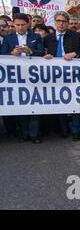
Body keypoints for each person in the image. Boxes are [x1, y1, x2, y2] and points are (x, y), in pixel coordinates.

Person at [43, 11, 80, 141]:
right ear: (55, 22)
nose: (61, 24)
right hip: (55, 75)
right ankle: (63, 129)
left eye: (64, 21)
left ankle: (76, 130)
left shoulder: (77, 36)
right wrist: (45, 57)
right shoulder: (47, 38)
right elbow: (40, 54)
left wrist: (74, 54)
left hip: (73, 75)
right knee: (60, 102)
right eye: (58, 21)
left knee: (75, 102)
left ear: (67, 23)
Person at [1, 14, 45, 144]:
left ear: (28, 24)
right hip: (16, 78)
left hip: (33, 77)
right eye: (17, 25)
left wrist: (30, 51)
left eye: (23, 24)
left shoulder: (35, 37)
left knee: (34, 106)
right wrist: (12, 54)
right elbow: (2, 54)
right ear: (13, 25)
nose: (20, 27)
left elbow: (41, 52)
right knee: (21, 106)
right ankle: (25, 133)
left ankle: (34, 134)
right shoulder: (8, 38)